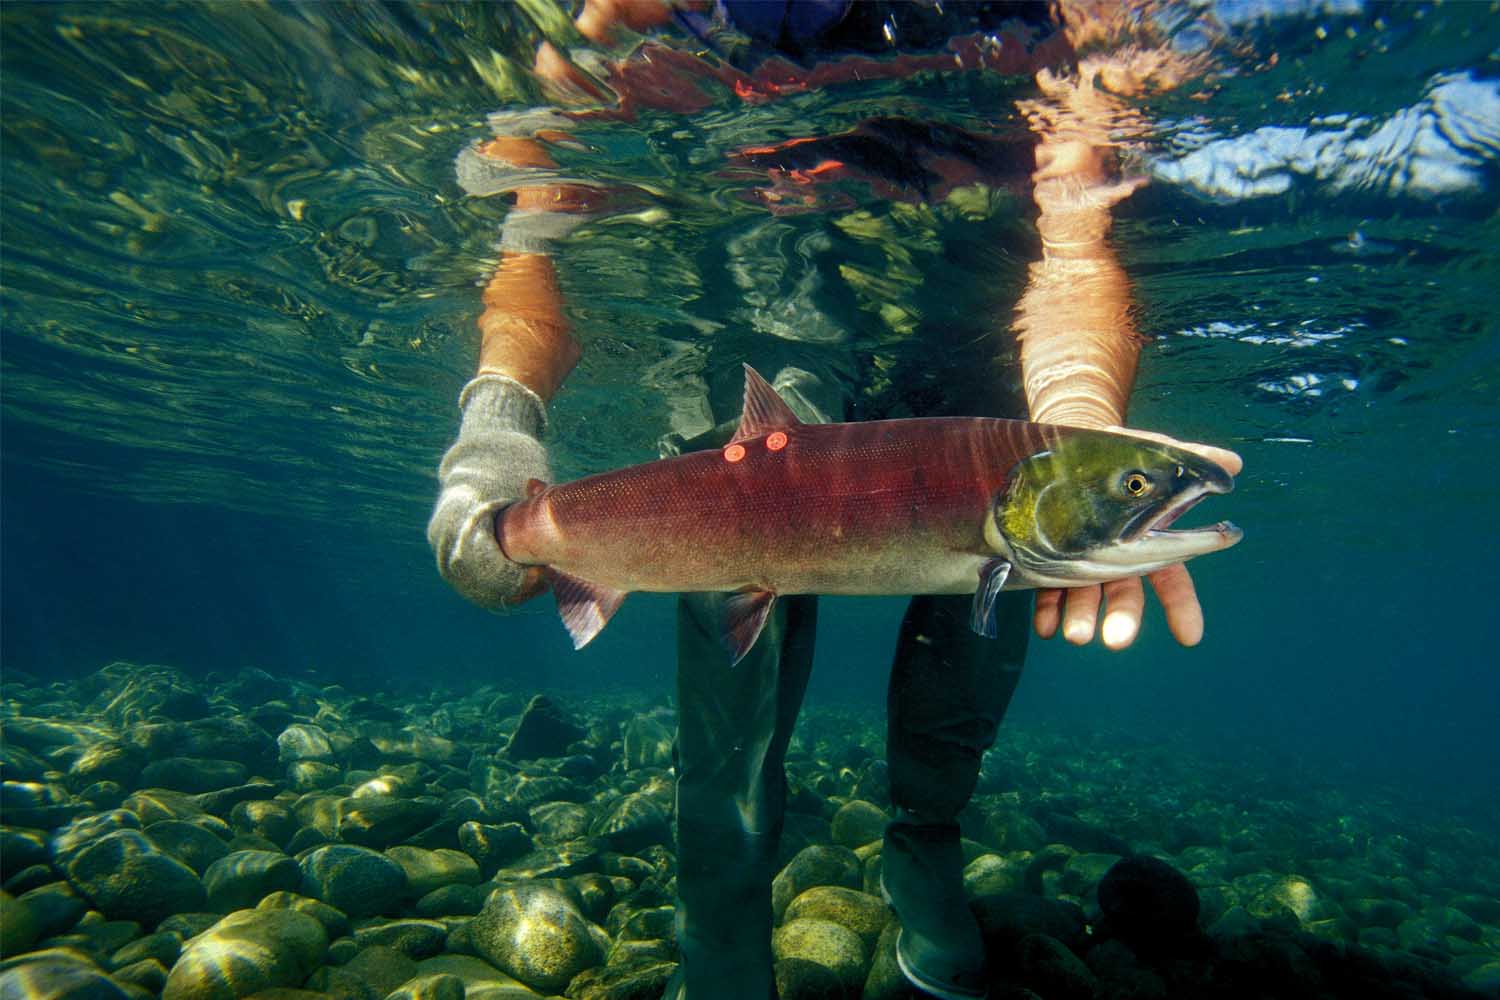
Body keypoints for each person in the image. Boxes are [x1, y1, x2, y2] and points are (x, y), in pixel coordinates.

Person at [428, 3, 1242, 998]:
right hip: (763, 298)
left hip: (974, 324)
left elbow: (1075, 253)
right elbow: (528, 235)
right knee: (746, 539)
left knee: (1007, 573)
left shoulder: (1083, 28)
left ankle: (926, 842)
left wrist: (1074, 428)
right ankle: (719, 903)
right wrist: (495, 429)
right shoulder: (627, 22)